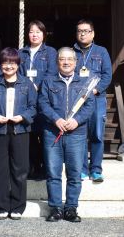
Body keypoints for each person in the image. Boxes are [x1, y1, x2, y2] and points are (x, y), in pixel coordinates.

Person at [37, 47, 95, 223]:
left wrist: (77, 120)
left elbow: (89, 105)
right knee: (53, 172)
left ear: (76, 62)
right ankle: (55, 208)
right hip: (52, 132)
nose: (66, 62)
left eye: (70, 59)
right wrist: (56, 119)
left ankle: (71, 208)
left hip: (76, 133)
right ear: (57, 62)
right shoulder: (48, 81)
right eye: (62, 59)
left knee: (75, 173)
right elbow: (42, 103)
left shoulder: (84, 83)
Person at [0, 47, 36, 220]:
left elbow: (34, 107)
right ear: (0, 64)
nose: (9, 66)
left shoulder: (26, 84)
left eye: (12, 63)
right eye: (5, 63)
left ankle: (18, 206)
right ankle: (2, 206)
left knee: (20, 169)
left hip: (20, 130)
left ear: (18, 64)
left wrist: (23, 117)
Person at [73, 19, 113, 183]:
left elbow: (107, 75)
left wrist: (95, 90)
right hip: (78, 101)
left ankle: (96, 169)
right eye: (79, 31)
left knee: (97, 134)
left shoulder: (101, 52)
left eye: (86, 31)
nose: (82, 34)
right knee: (80, 135)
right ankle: (82, 170)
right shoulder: (72, 52)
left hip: (96, 98)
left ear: (93, 33)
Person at [18, 20, 58, 180]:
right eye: (31, 32)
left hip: (44, 98)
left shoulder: (51, 52)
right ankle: (32, 167)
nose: (34, 35)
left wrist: (39, 86)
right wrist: (28, 86)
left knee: (44, 133)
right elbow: (18, 73)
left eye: (38, 32)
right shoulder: (21, 53)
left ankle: (44, 167)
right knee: (30, 134)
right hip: (25, 98)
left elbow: (51, 73)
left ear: (44, 34)